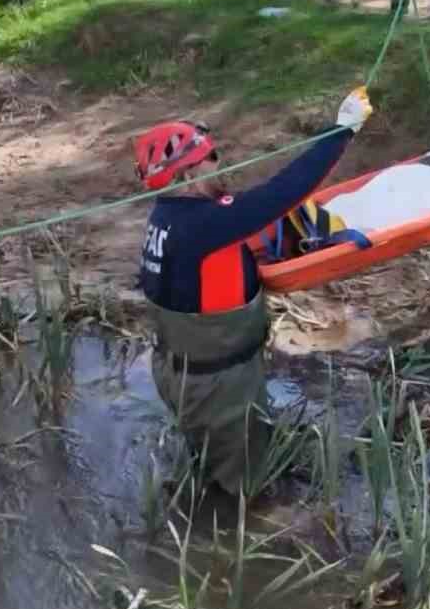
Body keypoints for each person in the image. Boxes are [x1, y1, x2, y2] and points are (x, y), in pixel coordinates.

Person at [135, 85, 374, 495]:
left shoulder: (167, 216)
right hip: (218, 386)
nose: (219, 162)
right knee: (248, 495)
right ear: (190, 174)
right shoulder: (205, 226)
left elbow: (207, 271)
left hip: (181, 373)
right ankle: (228, 548)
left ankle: (208, 492)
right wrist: (342, 130)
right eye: (212, 156)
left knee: (212, 462)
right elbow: (283, 191)